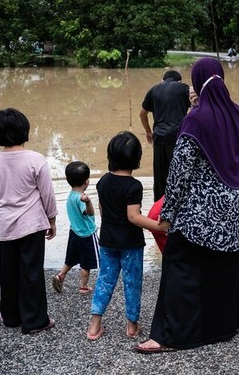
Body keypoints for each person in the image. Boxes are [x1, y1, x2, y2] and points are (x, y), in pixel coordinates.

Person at [136, 57, 239, 353]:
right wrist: (196, 106)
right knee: (227, 263)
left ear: (198, 83)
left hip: (200, 213)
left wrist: (167, 214)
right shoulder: (236, 113)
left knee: (178, 262)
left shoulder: (195, 120)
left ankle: (171, 336)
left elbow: (179, 172)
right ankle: (235, 321)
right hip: (235, 210)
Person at [0, 108, 57, 334]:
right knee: (32, 272)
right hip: (32, 224)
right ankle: (34, 321)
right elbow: (47, 193)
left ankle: (11, 316)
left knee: (9, 272)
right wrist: (51, 218)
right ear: (25, 130)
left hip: (6, 224)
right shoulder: (35, 159)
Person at [86, 131, 165, 341]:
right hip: (130, 244)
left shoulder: (103, 181)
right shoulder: (133, 186)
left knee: (104, 280)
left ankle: (94, 326)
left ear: (110, 156)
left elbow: (103, 210)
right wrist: (159, 227)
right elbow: (133, 216)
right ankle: (131, 326)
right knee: (132, 283)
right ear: (137, 159)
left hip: (107, 241)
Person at [139, 70, 191, 201]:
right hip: (178, 138)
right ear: (179, 81)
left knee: (160, 179)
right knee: (179, 176)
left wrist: (148, 131)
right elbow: (198, 108)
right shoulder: (184, 88)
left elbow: (142, 114)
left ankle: (159, 207)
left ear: (162, 81)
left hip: (159, 138)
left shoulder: (154, 89)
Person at [52, 161, 98, 295]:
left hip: (74, 232)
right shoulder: (81, 198)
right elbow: (90, 213)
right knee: (86, 262)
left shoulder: (71, 195)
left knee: (71, 258)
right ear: (86, 182)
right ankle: (83, 286)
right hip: (86, 234)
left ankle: (60, 275)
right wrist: (88, 202)